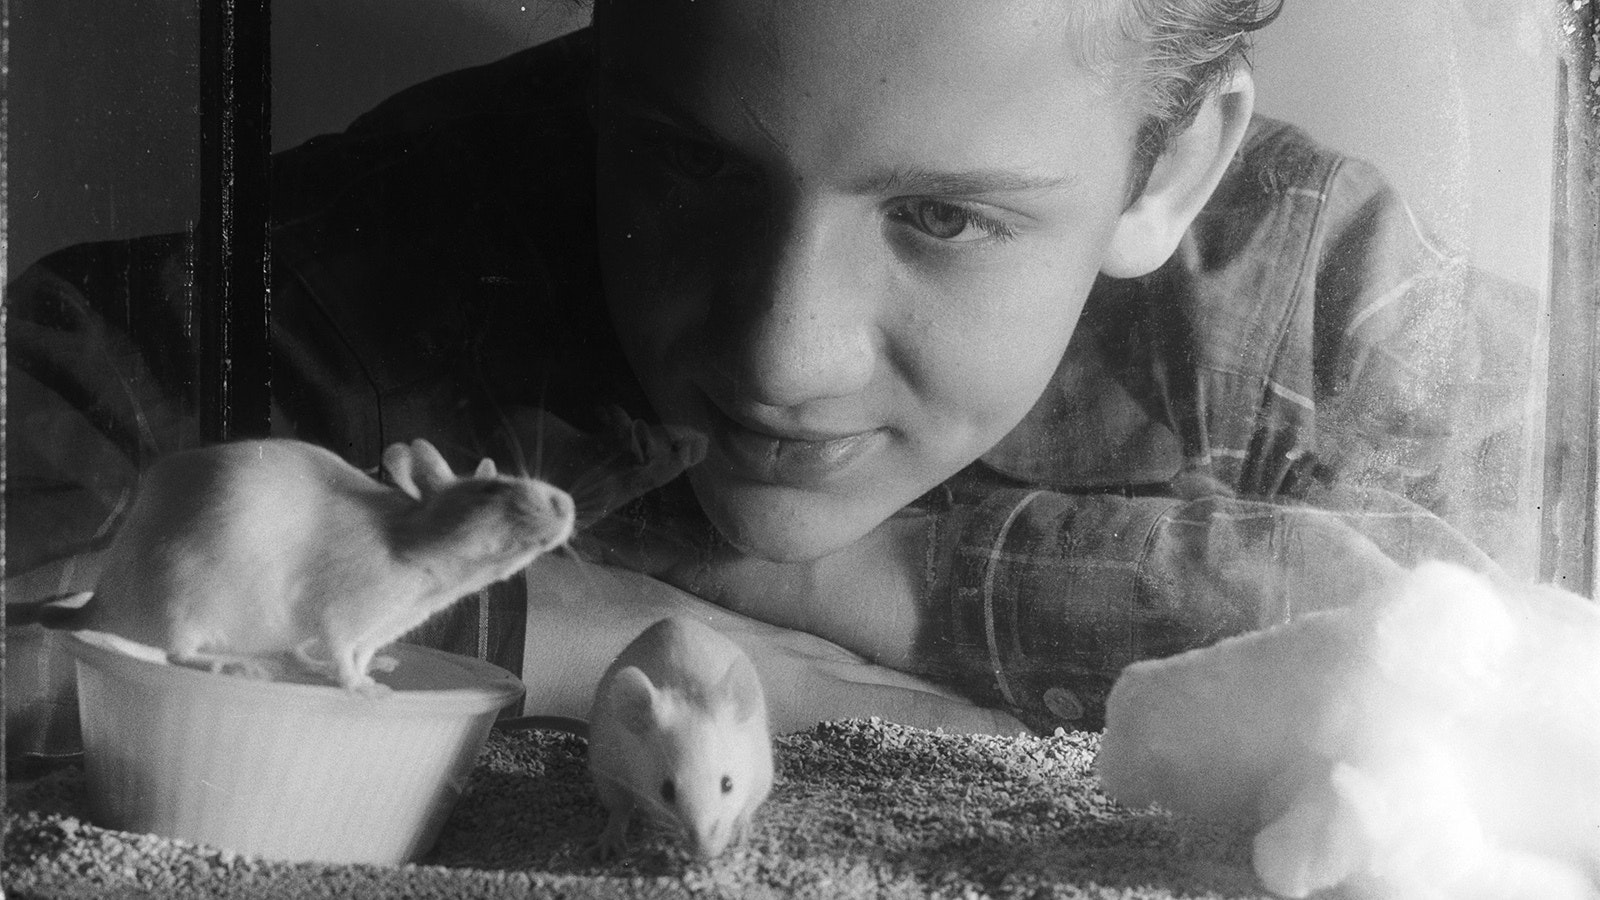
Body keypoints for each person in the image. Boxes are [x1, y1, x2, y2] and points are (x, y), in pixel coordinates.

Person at [5, 0, 1536, 739]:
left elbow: (1535, 623)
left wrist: (866, 586)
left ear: (1174, 166)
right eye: (687, 174)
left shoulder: (1306, 284)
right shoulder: (433, 230)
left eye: (943, 217)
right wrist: (525, 609)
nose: (774, 356)